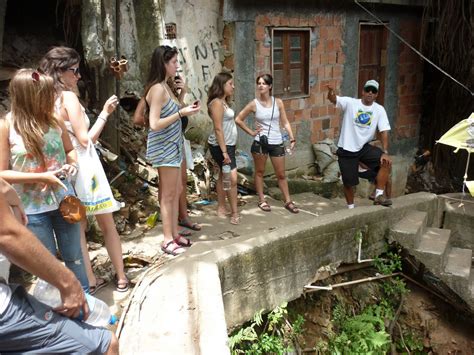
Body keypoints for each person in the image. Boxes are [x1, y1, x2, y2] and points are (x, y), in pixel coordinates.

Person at [39, 46, 129, 293]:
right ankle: (121, 276)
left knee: (77, 227)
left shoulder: (44, 98)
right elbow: (85, 139)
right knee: (106, 222)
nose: (78, 76)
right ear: (61, 71)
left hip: (65, 168)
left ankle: (89, 280)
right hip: (86, 167)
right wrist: (104, 114)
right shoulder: (68, 98)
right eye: (74, 70)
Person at [0, 177, 119, 354]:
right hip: (6, 312)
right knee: (106, 344)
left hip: (62, 202)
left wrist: (13, 200)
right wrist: (68, 282)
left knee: (72, 256)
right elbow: (8, 235)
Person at [0, 68, 89, 291]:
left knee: (75, 257)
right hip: (31, 209)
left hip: (65, 201)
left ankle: (85, 304)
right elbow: (1, 175)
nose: (54, 97)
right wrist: (43, 177)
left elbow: (70, 150)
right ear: (31, 96)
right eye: (48, 93)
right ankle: (60, 312)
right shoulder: (7, 127)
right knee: (46, 265)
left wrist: (72, 165)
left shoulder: (55, 120)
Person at [142, 45, 200, 255]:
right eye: (174, 62)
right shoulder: (157, 89)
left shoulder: (166, 87)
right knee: (167, 195)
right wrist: (181, 112)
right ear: (163, 64)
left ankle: (174, 233)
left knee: (176, 192)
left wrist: (183, 95)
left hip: (174, 146)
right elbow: (154, 123)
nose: (177, 66)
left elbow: (177, 112)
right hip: (164, 147)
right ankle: (167, 240)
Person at [235, 74, 299, 214]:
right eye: (259, 83)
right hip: (260, 142)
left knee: (281, 174)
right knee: (259, 172)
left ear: (270, 86)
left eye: (264, 83)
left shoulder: (278, 102)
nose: (261, 86)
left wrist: (292, 138)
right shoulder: (254, 103)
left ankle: (288, 201)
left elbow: (285, 121)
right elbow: (238, 119)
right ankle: (262, 200)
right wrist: (251, 132)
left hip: (277, 141)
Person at [327, 79, 392, 208]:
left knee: (386, 162)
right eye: (367, 90)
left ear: (376, 94)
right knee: (348, 183)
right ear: (362, 91)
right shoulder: (351, 103)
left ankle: (378, 195)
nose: (370, 93)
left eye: (373, 91)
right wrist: (331, 92)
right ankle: (351, 208)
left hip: (363, 148)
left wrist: (385, 152)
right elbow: (333, 99)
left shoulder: (379, 110)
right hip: (346, 149)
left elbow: (384, 131)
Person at [207, 72, 240, 224]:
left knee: (223, 175)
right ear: (221, 85)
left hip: (228, 145)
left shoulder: (224, 101)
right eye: (230, 84)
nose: (233, 86)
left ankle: (221, 207)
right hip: (221, 147)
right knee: (232, 178)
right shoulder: (216, 103)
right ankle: (234, 213)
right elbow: (218, 129)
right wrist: (225, 152)